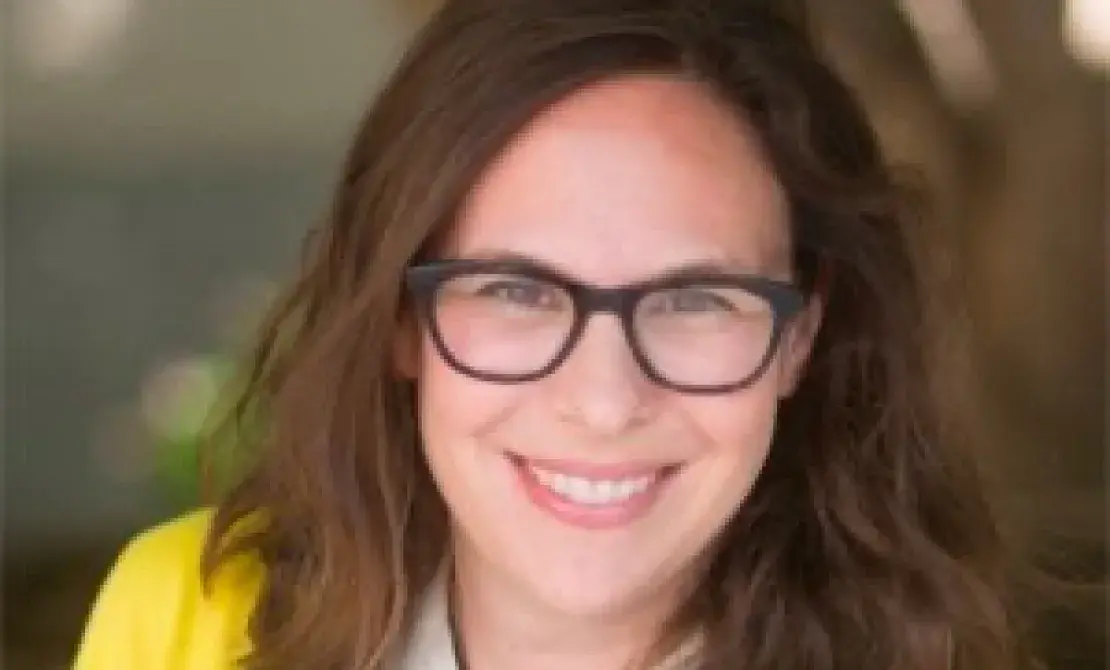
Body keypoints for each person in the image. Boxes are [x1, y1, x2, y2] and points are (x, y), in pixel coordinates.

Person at [73, 1, 1024, 668]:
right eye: (518, 291)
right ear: (402, 317)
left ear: (799, 337)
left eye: (695, 301)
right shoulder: (187, 622)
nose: (605, 403)